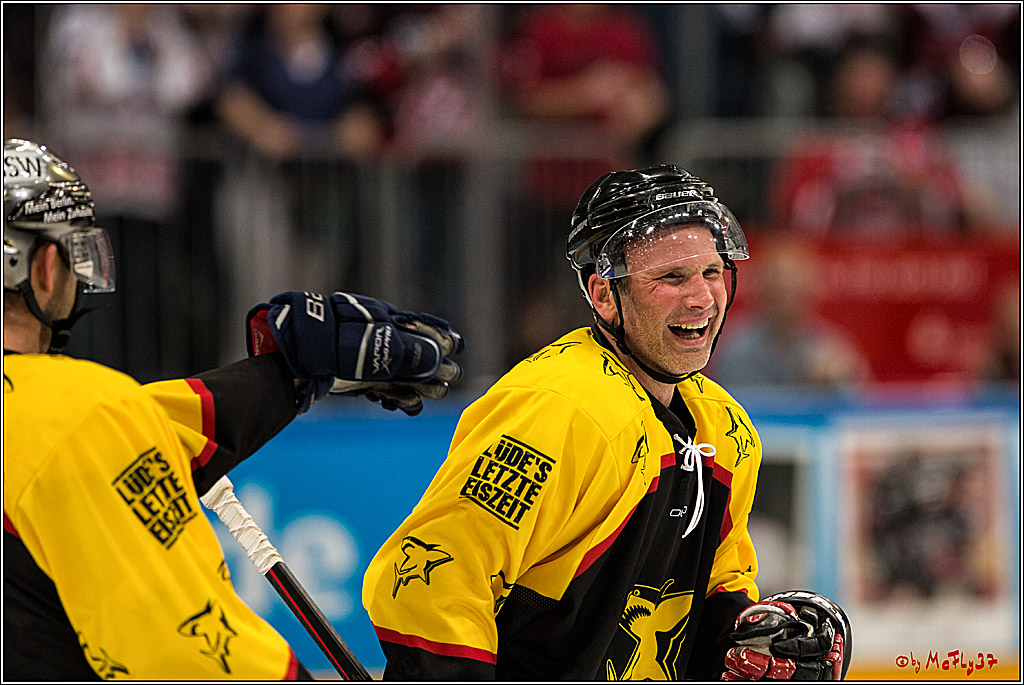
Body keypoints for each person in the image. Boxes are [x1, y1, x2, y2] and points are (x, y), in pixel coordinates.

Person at [362, 165, 850, 680]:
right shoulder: (559, 410)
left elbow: (713, 585)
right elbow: (428, 579)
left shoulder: (725, 429)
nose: (703, 298)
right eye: (671, 277)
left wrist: (745, 636)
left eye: (711, 272)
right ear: (603, 295)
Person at [3, 138, 463, 679]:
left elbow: (134, 432)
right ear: (46, 267)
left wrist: (284, 374)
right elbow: (188, 654)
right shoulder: (82, 420)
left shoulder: (66, 422)